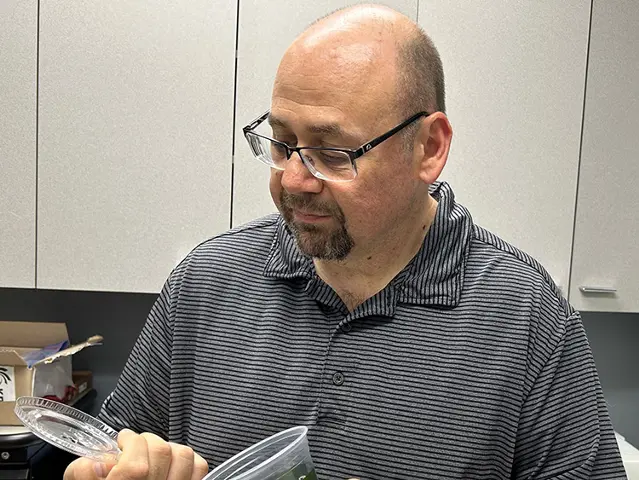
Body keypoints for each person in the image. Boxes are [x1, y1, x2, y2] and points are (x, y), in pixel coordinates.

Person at [64, 4, 628, 480]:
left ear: (429, 147)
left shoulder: (526, 316)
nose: (291, 180)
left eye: (333, 154)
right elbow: (112, 451)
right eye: (282, 143)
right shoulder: (207, 282)